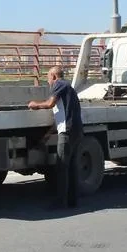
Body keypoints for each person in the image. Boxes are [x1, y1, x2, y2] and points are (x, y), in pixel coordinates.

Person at [28, 66, 84, 208]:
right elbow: (62, 115)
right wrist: (47, 136)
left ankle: (60, 201)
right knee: (71, 167)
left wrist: (35, 105)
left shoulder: (59, 84)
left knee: (62, 166)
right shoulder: (69, 88)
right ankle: (72, 200)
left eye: (48, 78)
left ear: (53, 76)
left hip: (67, 132)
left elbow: (50, 103)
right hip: (75, 130)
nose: (48, 82)